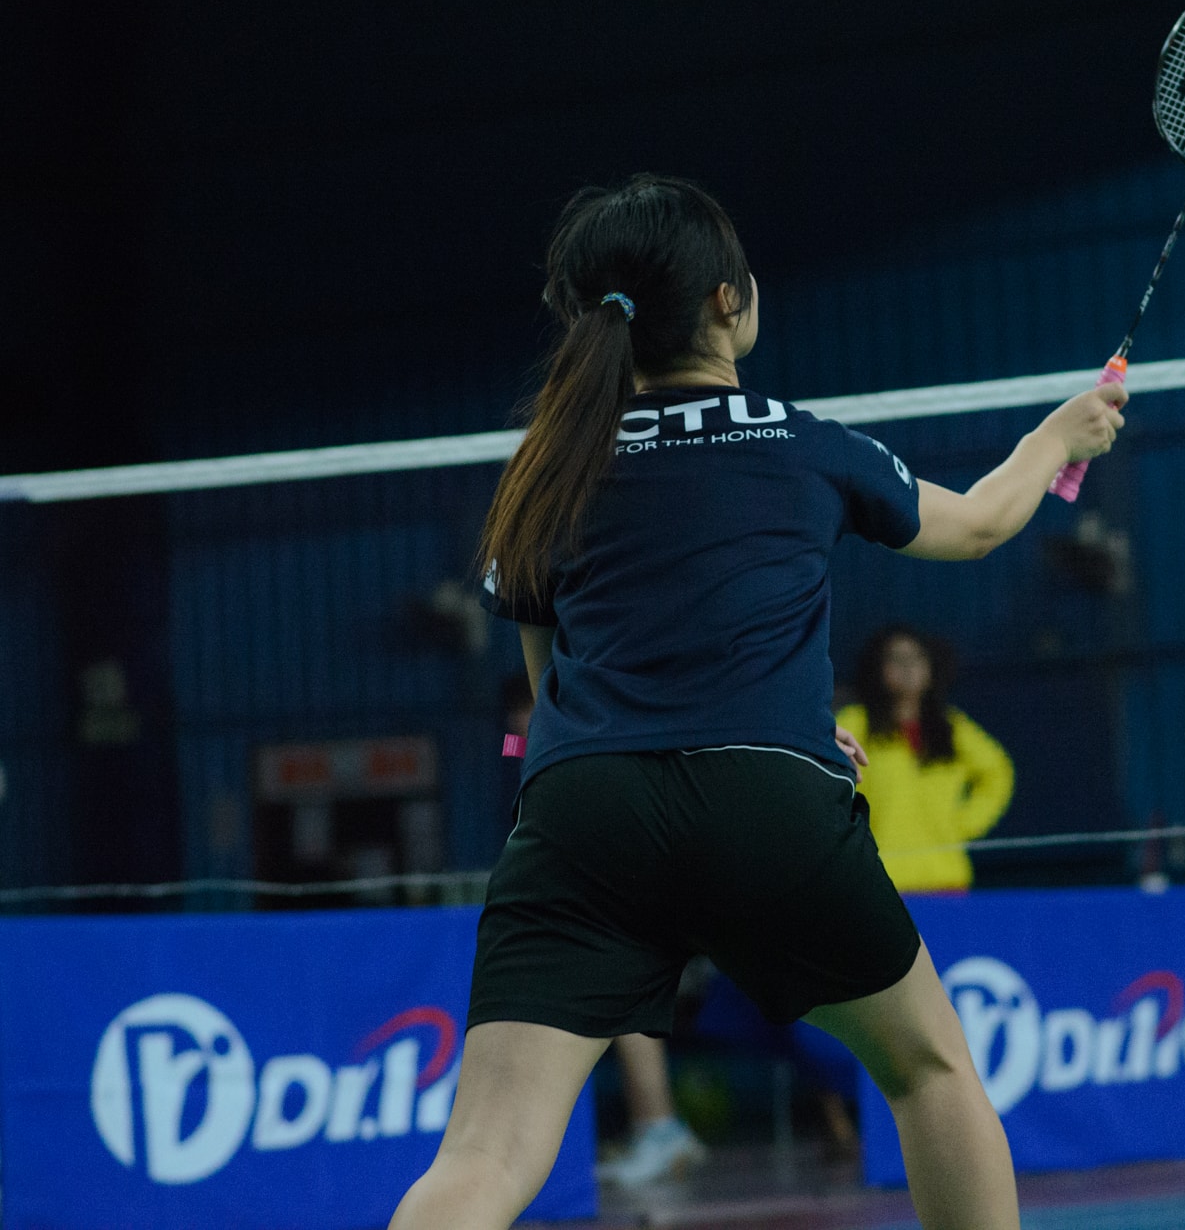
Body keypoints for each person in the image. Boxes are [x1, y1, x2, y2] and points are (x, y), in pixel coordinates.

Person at [388, 175, 1126, 1230]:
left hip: (581, 813)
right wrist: (1057, 437)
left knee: (486, 1153)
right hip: (770, 804)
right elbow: (974, 525)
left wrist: (759, 726)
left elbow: (555, 690)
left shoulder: (546, 470)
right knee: (930, 1073)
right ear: (726, 302)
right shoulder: (803, 441)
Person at [505, 671, 708, 1186]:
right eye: (516, 714)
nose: (518, 723)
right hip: (601, 894)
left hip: (627, 890)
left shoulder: (587, 740)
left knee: (627, 1013)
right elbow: (512, 748)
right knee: (619, 1014)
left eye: (526, 709)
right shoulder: (546, 747)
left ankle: (660, 1129)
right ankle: (654, 1128)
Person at [837, 627, 1015, 894]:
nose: (907, 668)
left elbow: (998, 772)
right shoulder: (855, 723)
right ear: (878, 668)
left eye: (916, 658)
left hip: (945, 878)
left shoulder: (951, 727)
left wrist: (963, 823)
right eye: (896, 659)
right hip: (876, 880)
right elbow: (824, 783)